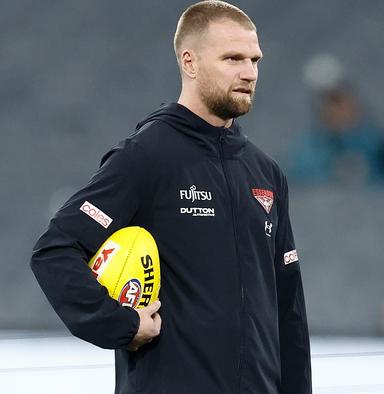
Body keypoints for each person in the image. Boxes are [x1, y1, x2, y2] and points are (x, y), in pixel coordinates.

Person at [30, 2, 311, 393]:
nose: (249, 73)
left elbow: (288, 306)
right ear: (189, 62)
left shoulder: (266, 172)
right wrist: (122, 324)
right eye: (232, 58)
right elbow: (55, 250)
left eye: (254, 60)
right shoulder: (145, 156)